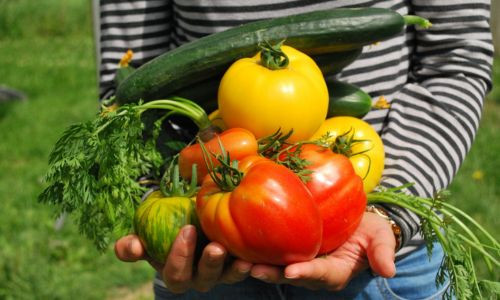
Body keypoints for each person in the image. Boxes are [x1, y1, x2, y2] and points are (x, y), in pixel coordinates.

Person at [96, 0, 493, 298]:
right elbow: (130, 95)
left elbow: (457, 61)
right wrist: (161, 206)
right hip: (207, 246)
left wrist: (390, 212)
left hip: (380, 260)